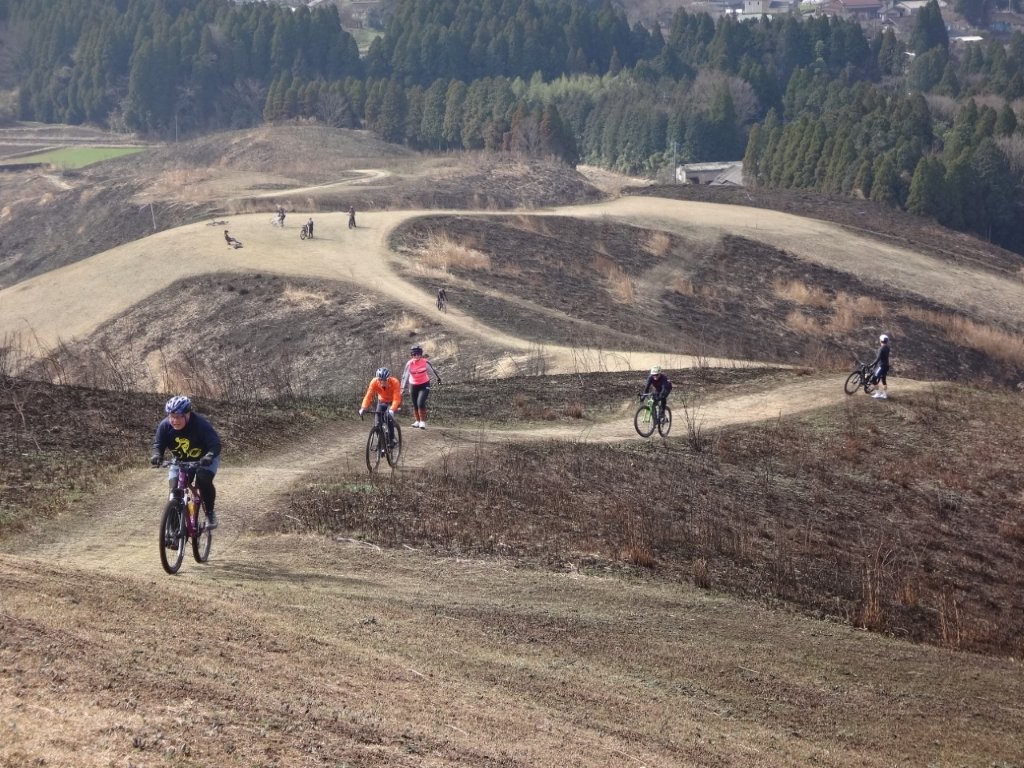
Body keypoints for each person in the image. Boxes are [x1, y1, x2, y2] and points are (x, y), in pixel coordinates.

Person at [150, 396, 222, 530]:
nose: (174, 421)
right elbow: (158, 444)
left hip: (204, 460)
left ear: (188, 414)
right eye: (172, 416)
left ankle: (210, 513)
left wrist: (209, 456)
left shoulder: (200, 425)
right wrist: (157, 455)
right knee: (175, 489)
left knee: (203, 479)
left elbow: (215, 444)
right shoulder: (165, 426)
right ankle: (173, 530)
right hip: (180, 460)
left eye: (178, 417)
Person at [401, 345, 442, 429]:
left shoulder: (425, 362)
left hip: (424, 384)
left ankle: (422, 421)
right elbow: (405, 376)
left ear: (421, 354)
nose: (416, 356)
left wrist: (438, 379)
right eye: (414, 354)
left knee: (420, 402)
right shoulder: (409, 364)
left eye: (418, 354)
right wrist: (402, 388)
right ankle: (417, 421)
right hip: (413, 385)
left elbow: (432, 371)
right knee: (415, 403)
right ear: (412, 355)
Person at [359, 367, 402, 445]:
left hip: (392, 402)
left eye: (385, 380)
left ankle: (392, 439)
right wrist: (363, 407)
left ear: (389, 379)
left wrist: (392, 409)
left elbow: (396, 398)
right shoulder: (374, 382)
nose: (383, 382)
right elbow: (368, 396)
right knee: (377, 423)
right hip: (381, 401)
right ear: (377, 379)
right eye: (380, 380)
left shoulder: (395, 382)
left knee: (389, 418)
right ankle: (382, 442)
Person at [870, 334, 891, 399]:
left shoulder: (881, 348)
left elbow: (878, 358)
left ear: (881, 340)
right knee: (883, 380)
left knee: (873, 379)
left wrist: (872, 364)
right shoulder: (888, 347)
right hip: (886, 366)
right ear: (887, 341)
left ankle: (878, 393)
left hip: (881, 366)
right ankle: (885, 395)